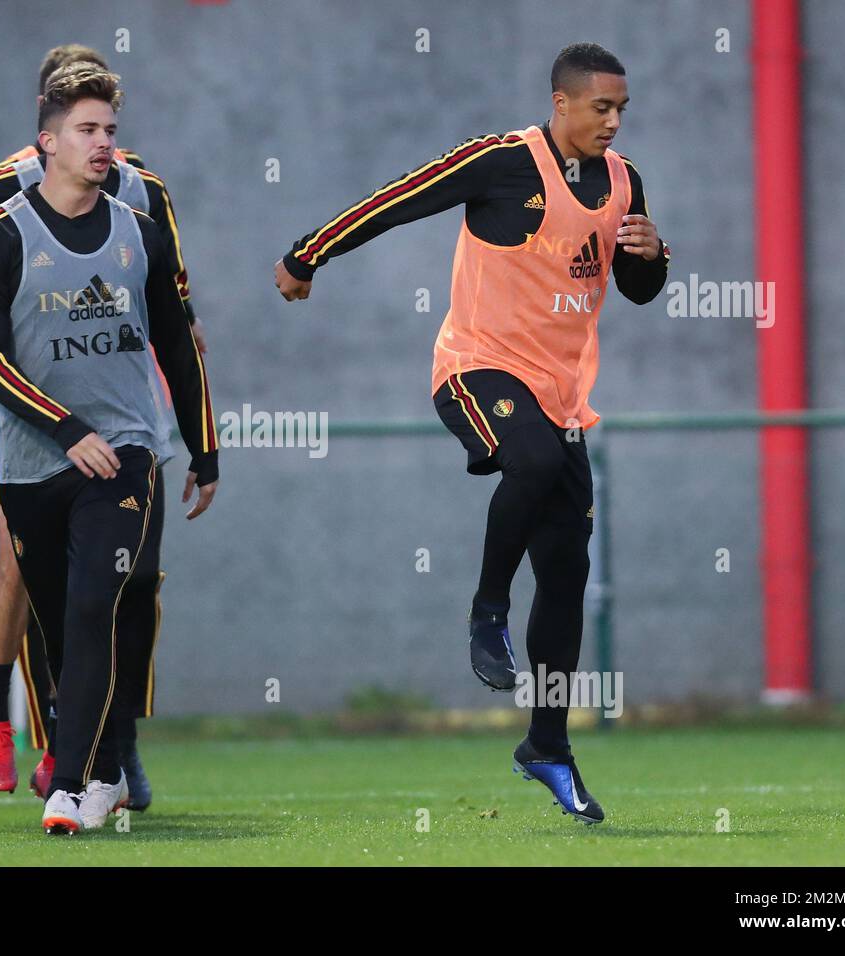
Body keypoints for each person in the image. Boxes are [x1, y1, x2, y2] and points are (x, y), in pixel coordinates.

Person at [274, 43, 670, 824]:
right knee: (525, 461)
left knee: (564, 573)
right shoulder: (499, 162)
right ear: (562, 103)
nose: (614, 121)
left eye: (622, 108)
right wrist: (307, 253)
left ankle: (547, 747)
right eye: (602, 108)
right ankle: (486, 614)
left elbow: (639, 286)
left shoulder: (623, 182)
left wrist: (656, 257)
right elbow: (397, 200)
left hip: (561, 398)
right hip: (476, 370)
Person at [0, 44, 199, 808]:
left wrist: (200, 425)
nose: (97, 138)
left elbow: (174, 310)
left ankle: (112, 749)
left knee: (128, 582)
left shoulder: (144, 197)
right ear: (47, 125)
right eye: (78, 120)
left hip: (128, 421)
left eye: (105, 122)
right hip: (22, 412)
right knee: (27, 569)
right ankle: (16, 729)